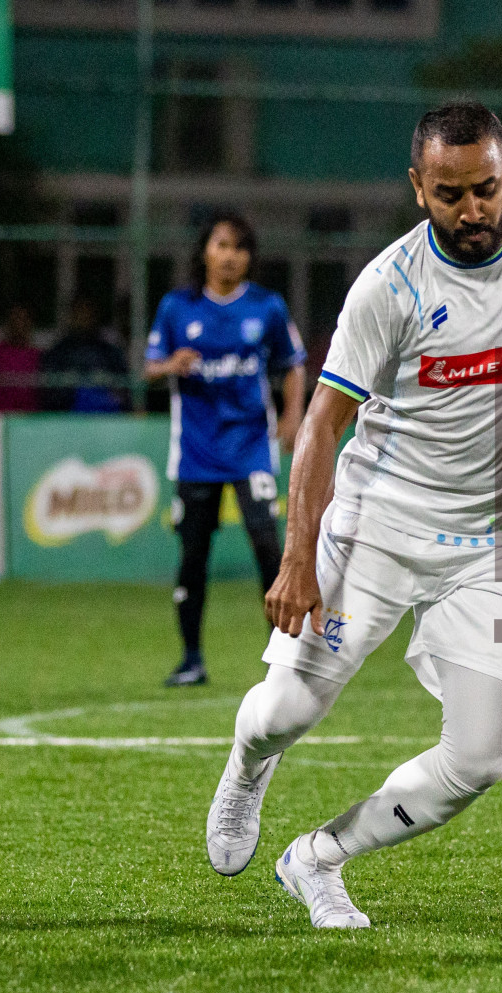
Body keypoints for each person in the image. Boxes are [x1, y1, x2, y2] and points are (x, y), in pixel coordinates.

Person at [203, 102, 502, 929]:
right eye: (449, 194)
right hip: (379, 528)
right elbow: (322, 424)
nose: (472, 211)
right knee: (289, 710)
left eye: (487, 188)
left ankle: (317, 859)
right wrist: (298, 558)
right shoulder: (388, 287)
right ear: (417, 188)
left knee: (478, 760)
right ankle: (248, 766)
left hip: (499, 539)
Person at [144, 212, 307, 688]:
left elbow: (294, 364)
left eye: (240, 247)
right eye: (221, 245)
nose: (231, 255)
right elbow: (149, 366)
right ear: (204, 252)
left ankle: (283, 662)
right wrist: (171, 364)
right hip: (195, 451)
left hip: (251, 443)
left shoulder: (266, 307)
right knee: (193, 555)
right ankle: (191, 658)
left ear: (249, 257)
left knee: (267, 547)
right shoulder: (178, 307)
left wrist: (293, 415)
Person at [41, 297, 131, 413]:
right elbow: (49, 395)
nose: (84, 317)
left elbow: (124, 390)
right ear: (72, 316)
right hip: (67, 420)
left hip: (106, 420)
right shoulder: (58, 352)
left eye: (88, 313)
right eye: (80, 312)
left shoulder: (110, 352)